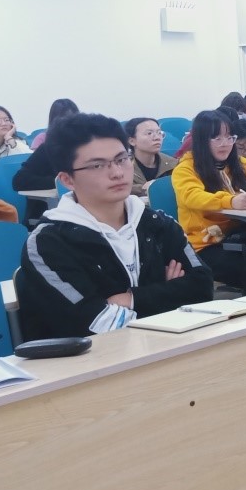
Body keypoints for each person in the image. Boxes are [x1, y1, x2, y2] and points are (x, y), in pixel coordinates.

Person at [17, 113, 213, 340]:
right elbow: (93, 321)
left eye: (121, 159)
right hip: (93, 359)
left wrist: (129, 299)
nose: (117, 173)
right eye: (97, 165)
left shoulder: (157, 223)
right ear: (67, 180)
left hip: (170, 348)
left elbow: (203, 288)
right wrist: (169, 296)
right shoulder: (48, 243)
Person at [172, 110, 246, 294]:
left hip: (239, 237)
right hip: (205, 245)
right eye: (217, 138)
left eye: (229, 138)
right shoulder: (185, 169)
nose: (225, 144)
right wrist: (231, 201)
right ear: (202, 140)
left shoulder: (240, 164)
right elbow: (192, 196)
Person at [125, 118, 177, 195]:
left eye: (159, 133)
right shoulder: (122, 168)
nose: (157, 138)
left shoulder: (173, 164)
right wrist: (142, 188)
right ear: (132, 141)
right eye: (149, 133)